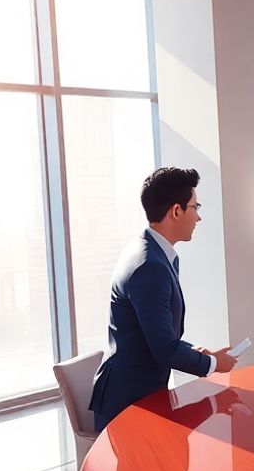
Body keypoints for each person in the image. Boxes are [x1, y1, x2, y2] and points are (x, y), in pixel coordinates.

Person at [90, 167, 237, 432]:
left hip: (140, 393)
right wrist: (214, 365)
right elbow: (164, 349)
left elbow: (154, 334)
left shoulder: (150, 251)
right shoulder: (150, 266)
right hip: (125, 405)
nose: (199, 217)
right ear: (176, 211)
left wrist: (195, 351)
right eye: (195, 207)